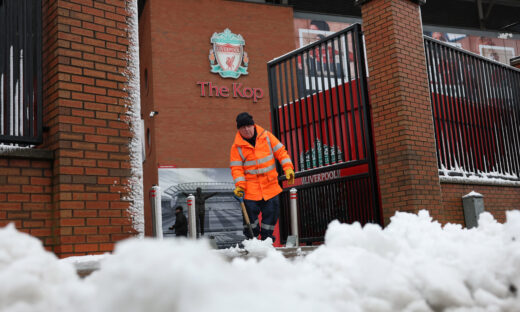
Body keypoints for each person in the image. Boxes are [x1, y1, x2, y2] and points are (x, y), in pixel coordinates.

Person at [229, 112, 295, 241]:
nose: (246, 129)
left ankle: (267, 240)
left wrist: (288, 168)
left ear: (253, 125)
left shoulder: (267, 137)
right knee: (250, 218)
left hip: (270, 186)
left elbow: (281, 152)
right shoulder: (236, 147)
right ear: (239, 129)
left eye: (248, 126)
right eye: (243, 127)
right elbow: (237, 169)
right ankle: (251, 240)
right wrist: (240, 187)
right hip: (250, 190)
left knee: (271, 215)